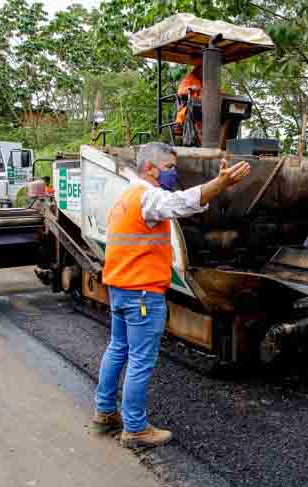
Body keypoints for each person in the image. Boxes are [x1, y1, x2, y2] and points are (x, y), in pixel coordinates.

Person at [91, 142, 250, 449]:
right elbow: (181, 203)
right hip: (142, 294)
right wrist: (221, 183)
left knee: (118, 349)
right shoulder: (149, 197)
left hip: (121, 288)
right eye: (169, 167)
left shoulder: (126, 196)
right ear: (150, 168)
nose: (173, 172)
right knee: (140, 360)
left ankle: (105, 411)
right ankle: (135, 428)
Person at [175, 65, 203, 130]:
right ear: (197, 70)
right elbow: (180, 91)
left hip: (204, 104)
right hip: (193, 105)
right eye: (201, 70)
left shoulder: (205, 80)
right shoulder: (189, 78)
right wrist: (191, 88)